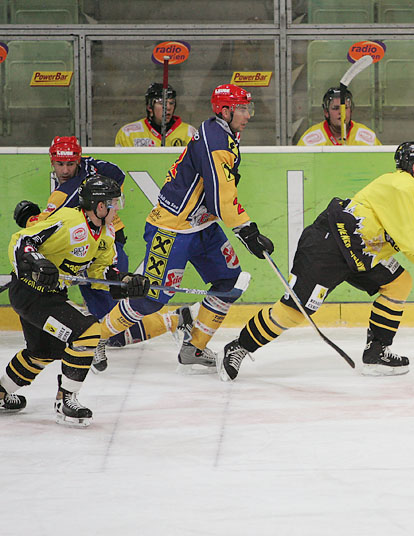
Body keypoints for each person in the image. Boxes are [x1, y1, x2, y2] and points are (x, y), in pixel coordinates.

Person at [217, 142, 414, 381]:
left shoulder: (402, 189)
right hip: (328, 248)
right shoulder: (406, 186)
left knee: (399, 282)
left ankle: (377, 351)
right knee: (294, 311)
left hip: (360, 254)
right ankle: (238, 347)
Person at [100, 83, 274, 373]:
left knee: (229, 282)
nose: (248, 115)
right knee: (150, 299)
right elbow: (221, 197)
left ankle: (194, 347)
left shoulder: (225, 133)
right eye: (242, 109)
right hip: (171, 230)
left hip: (203, 226)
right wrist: (247, 230)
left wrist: (244, 230)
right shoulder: (216, 141)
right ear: (225, 111)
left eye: (248, 108)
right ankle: (94, 339)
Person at [11, 136, 192, 374]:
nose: (65, 170)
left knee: (108, 325)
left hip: (103, 249)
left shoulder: (66, 193)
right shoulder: (87, 173)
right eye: (59, 164)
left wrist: (28, 219)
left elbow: (41, 225)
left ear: (78, 160)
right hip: (87, 252)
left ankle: (176, 319)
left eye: (70, 163)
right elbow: (116, 174)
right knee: (102, 324)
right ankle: (173, 320)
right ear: (52, 162)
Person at [0, 174, 150, 426]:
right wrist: (37, 261)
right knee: (88, 331)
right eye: (114, 203)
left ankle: (1, 393)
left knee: (42, 352)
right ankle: (66, 400)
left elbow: (99, 272)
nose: (117, 209)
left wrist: (124, 282)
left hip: (51, 295)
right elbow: (21, 240)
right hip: (30, 292)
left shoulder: (106, 233)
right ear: (100, 206)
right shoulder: (70, 221)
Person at [115, 83, 198, 147]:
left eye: (171, 103)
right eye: (162, 103)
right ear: (149, 107)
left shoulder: (189, 133)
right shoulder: (128, 133)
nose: (168, 107)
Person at [297, 87, 380, 146]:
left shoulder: (367, 137)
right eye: (336, 108)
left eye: (345, 108)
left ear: (351, 110)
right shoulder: (310, 139)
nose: (341, 112)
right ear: (326, 112)